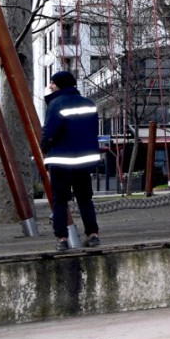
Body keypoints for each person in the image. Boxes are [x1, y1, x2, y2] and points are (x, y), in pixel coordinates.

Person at [41, 70, 102, 252]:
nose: (50, 86)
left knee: (60, 200)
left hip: (61, 160)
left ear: (59, 84)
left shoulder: (55, 104)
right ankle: (93, 234)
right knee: (85, 199)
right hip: (84, 160)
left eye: (52, 83)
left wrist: (45, 148)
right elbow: (92, 131)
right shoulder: (89, 104)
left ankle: (62, 239)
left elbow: (49, 132)